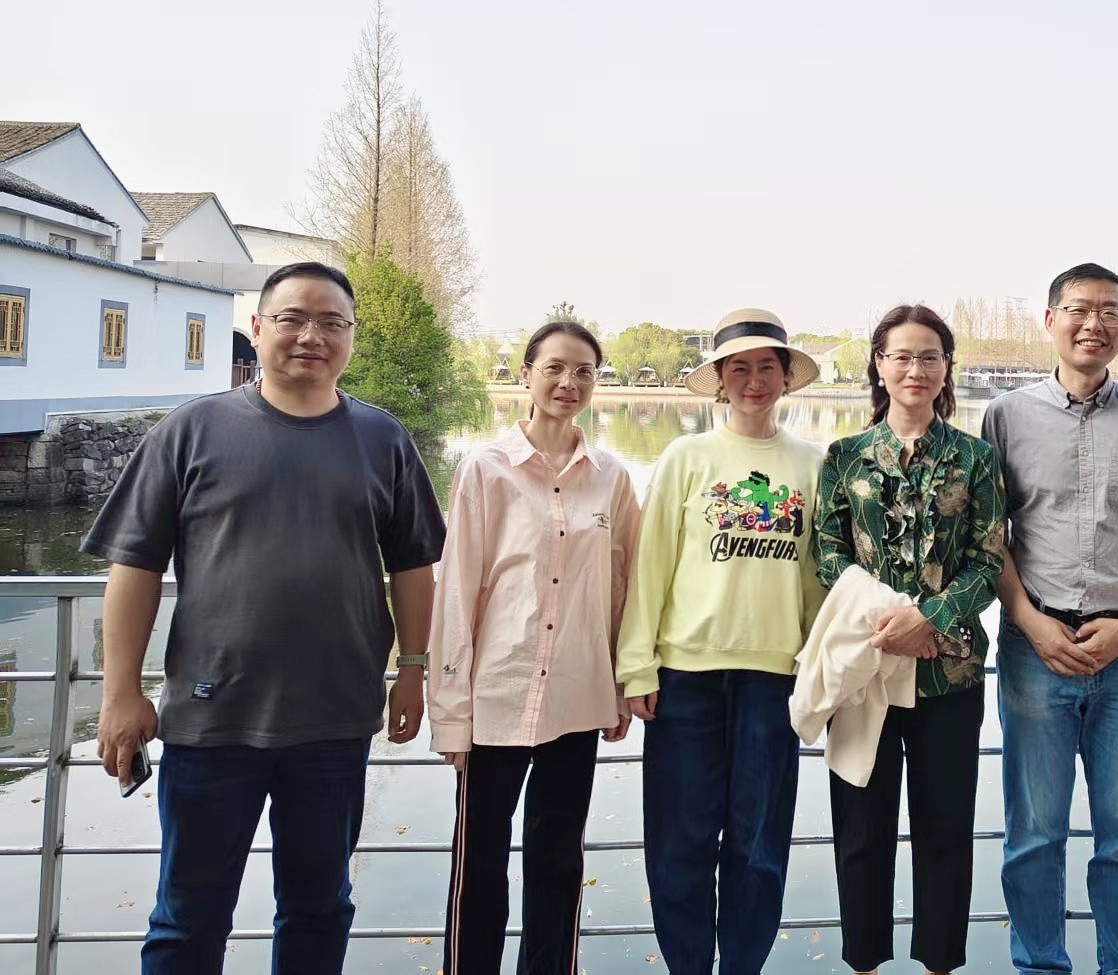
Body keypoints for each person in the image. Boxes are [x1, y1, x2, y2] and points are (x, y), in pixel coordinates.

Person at [85, 261, 445, 975]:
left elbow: (412, 565)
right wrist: (119, 692)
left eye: (332, 323)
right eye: (293, 318)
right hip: (210, 719)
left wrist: (412, 669)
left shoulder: (383, 439)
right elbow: (134, 567)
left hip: (335, 720)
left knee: (318, 908)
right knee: (187, 918)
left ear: (352, 337)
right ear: (257, 328)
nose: (312, 336)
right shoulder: (191, 431)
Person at [981, 264, 1118, 975]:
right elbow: (991, 537)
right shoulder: (1005, 417)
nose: (1093, 323)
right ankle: (1039, 964)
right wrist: (1030, 621)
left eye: (1110, 311)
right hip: (1034, 648)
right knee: (1034, 835)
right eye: (1078, 309)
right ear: (1050, 320)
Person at [614, 307, 825, 975]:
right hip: (685, 677)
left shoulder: (813, 464)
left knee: (759, 846)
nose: (754, 380)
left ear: (785, 377)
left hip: (775, 679)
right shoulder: (686, 457)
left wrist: (819, 674)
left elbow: (819, 582)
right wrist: (637, 665)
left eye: (767, 367)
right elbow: (650, 566)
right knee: (680, 842)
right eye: (740, 368)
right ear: (721, 380)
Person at [428, 320, 641, 974]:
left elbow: (626, 588)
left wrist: (623, 684)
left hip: (576, 697)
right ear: (525, 375)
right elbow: (457, 591)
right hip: (496, 695)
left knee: (558, 863)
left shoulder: (612, 478)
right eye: (554, 368)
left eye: (583, 371)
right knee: (479, 864)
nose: (568, 383)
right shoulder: (485, 469)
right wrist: (451, 713)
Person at [814, 303, 1006, 975]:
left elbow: (989, 559)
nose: (915, 369)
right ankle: (863, 963)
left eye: (929, 356)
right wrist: (889, 619)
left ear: (947, 367)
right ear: (878, 364)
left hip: (948, 673)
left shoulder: (976, 458)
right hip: (864, 669)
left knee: (945, 829)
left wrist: (931, 620)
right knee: (860, 830)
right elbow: (828, 554)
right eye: (901, 355)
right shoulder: (843, 456)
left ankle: (939, 964)